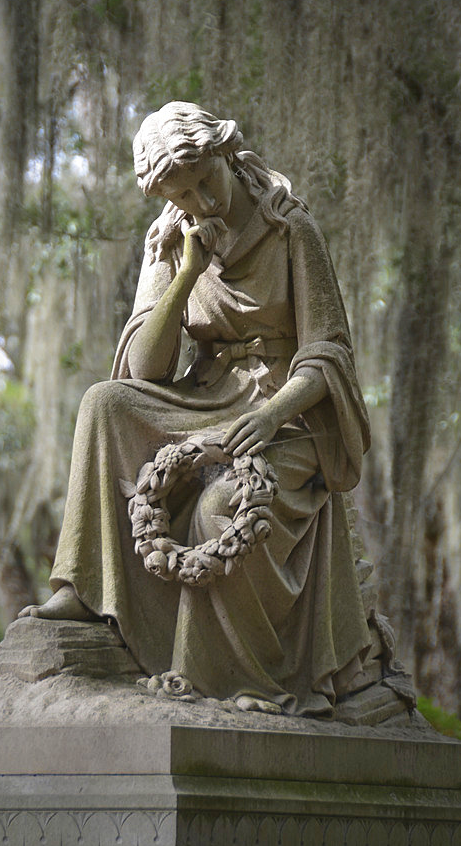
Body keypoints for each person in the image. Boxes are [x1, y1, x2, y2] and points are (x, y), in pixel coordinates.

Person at [20, 101, 372, 716]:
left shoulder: (289, 229)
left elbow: (329, 355)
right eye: (181, 196)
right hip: (202, 394)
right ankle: (82, 585)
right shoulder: (171, 238)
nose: (201, 203)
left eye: (206, 181)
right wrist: (183, 274)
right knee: (104, 402)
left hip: (281, 409)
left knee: (220, 509)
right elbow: (144, 370)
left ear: (226, 154)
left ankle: (235, 677)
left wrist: (269, 416)